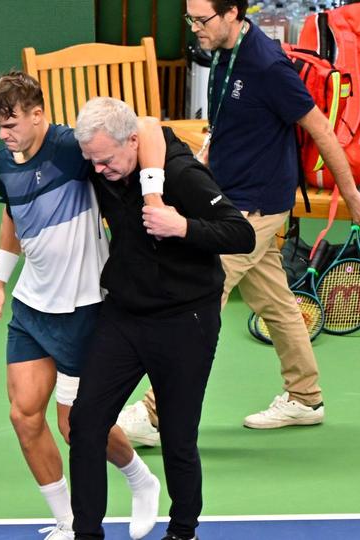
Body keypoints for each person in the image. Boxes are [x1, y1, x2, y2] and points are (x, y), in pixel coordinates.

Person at [115, 0, 360, 447]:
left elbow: (320, 128)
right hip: (230, 200)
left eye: (202, 20)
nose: (195, 28)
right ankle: (306, 398)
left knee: (196, 301)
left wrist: (351, 193)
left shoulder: (267, 65)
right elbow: (228, 123)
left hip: (255, 210)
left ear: (233, 13)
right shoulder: (222, 51)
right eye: (190, 19)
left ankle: (156, 415)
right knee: (276, 301)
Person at [0, 72, 166, 540]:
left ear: (38, 115)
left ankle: (142, 481)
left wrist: (155, 193)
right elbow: (12, 215)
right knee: (24, 416)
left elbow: (146, 128)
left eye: (12, 123)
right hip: (32, 307)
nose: (4, 135)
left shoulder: (70, 147)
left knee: (75, 425)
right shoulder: (4, 160)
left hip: (83, 308)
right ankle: (67, 519)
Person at [68, 96, 255, 540]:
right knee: (85, 422)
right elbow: (148, 122)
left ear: (132, 142)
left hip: (185, 320)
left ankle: (183, 531)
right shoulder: (108, 160)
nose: (98, 171)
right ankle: (86, 534)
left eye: (106, 160)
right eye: (91, 162)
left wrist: (182, 227)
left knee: (177, 436)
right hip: (125, 315)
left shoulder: (183, 175)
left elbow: (241, 234)